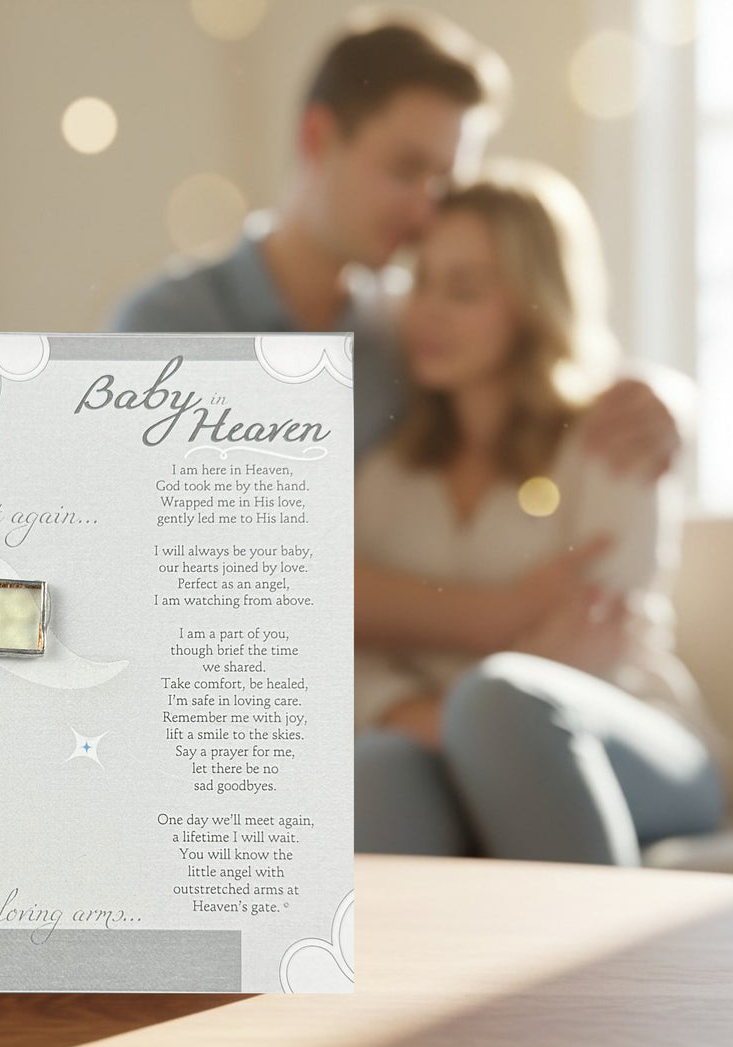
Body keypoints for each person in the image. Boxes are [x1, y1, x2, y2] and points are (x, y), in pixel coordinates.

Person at [108, 14, 683, 667]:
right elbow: (219, 567)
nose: (424, 209)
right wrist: (492, 617)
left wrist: (664, 399)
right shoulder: (171, 327)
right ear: (319, 138)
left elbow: (544, 364)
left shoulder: (404, 333)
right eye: (407, 169)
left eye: (444, 181)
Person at [354, 162, 726, 864]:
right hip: (443, 741)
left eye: (463, 289)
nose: (428, 311)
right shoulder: (386, 476)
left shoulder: (611, 438)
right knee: (377, 765)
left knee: (502, 701)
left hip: (635, 735)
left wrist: (472, 702)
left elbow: (596, 634)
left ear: (532, 301)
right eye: (422, 281)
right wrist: (431, 717)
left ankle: (593, 973)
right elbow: (349, 650)